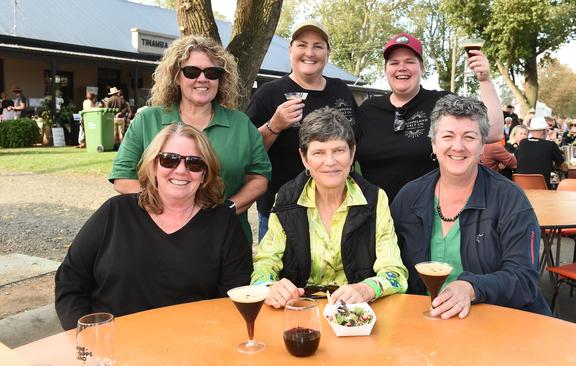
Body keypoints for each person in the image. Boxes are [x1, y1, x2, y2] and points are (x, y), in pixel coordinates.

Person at [55, 124, 252, 330]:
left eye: (194, 163)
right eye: (169, 160)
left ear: (205, 174)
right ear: (153, 166)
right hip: (112, 350)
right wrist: (87, 337)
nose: (181, 170)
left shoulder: (223, 223)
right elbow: (70, 280)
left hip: (189, 350)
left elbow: (232, 299)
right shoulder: (115, 212)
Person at [391, 95, 550, 319]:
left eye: (469, 137)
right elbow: (388, 265)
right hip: (425, 325)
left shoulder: (510, 199)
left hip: (498, 325)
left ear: (483, 144)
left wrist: (470, 288)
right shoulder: (409, 198)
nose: (458, 147)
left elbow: (524, 280)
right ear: (434, 143)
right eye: (448, 136)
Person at [110, 35, 271, 244]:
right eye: (191, 72)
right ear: (177, 77)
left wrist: (227, 209)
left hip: (225, 239)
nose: (202, 79)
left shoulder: (241, 124)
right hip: (158, 237)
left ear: (221, 79)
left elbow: (259, 178)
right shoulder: (147, 120)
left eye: (212, 73)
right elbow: (122, 177)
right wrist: (165, 210)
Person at [251, 107, 408, 307]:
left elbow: (395, 273)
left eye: (339, 150)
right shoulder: (286, 199)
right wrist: (269, 287)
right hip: (301, 312)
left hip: (356, 314)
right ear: (304, 158)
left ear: (352, 154)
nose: (330, 162)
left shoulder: (375, 198)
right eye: (318, 152)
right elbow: (265, 263)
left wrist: (368, 288)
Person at [356, 32, 504, 202]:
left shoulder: (443, 103)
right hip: (375, 216)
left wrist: (485, 80)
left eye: (410, 62)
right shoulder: (368, 109)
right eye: (394, 63)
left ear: (422, 68)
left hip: (429, 215)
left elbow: (494, 132)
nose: (401, 67)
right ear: (386, 69)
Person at [246, 20, 357, 241]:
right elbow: (247, 152)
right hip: (282, 211)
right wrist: (273, 126)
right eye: (302, 45)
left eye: (318, 46)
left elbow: (356, 143)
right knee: (279, 274)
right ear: (290, 50)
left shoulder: (341, 90)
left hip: (336, 211)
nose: (310, 52)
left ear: (327, 52)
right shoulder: (269, 94)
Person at [515, 116, 567, 188]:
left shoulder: (523, 143)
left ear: (530, 131)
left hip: (522, 188)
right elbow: (564, 167)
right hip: (543, 189)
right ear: (544, 131)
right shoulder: (550, 145)